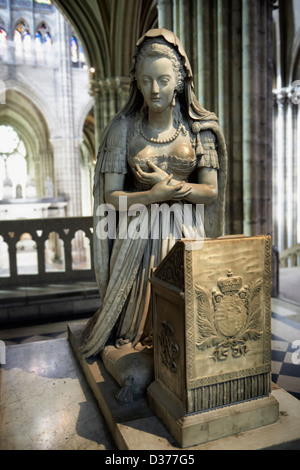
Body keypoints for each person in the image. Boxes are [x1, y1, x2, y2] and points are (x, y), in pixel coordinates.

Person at [78, 28, 227, 362]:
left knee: (191, 318)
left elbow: (211, 192)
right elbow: (110, 198)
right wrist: (153, 194)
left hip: (187, 234)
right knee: (135, 331)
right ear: (136, 81)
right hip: (138, 238)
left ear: (179, 79)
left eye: (162, 79)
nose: (154, 89)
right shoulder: (124, 129)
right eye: (146, 81)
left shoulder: (198, 128)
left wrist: (171, 187)